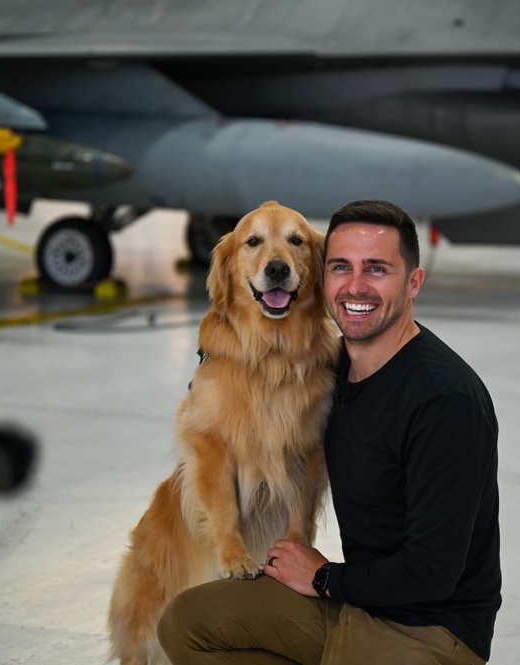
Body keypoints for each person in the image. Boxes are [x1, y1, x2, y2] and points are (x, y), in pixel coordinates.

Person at [158, 200, 501, 665]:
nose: (355, 286)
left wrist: (323, 579)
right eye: (341, 267)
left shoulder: (445, 401)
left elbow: (432, 573)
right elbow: (254, 395)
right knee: (185, 623)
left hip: (429, 632)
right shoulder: (329, 371)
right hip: (356, 606)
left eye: (376, 269)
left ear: (413, 282)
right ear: (320, 276)